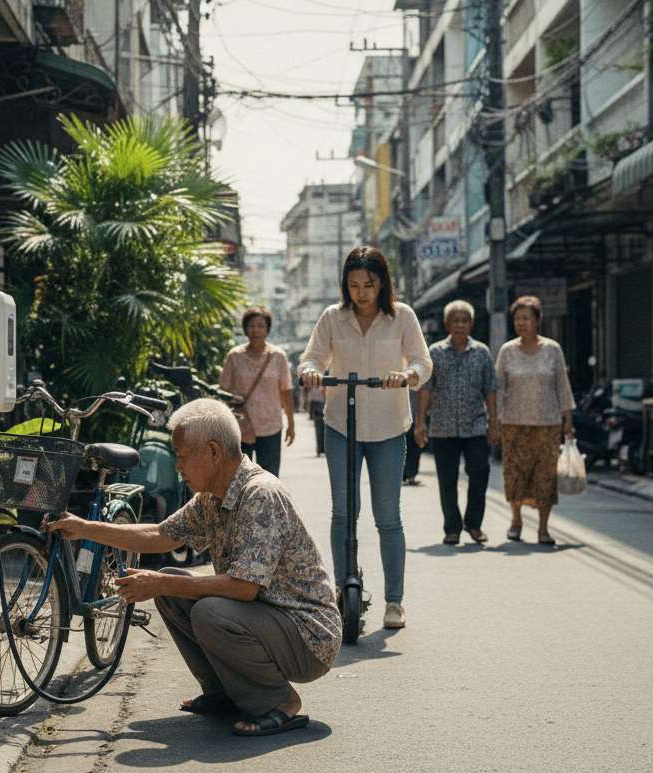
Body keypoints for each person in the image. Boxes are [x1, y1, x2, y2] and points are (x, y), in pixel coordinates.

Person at [44, 399, 341, 738]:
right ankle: (223, 693)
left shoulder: (259, 494)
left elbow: (244, 589)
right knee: (171, 585)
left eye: (182, 457)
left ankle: (280, 702)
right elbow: (160, 535)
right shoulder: (212, 496)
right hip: (265, 617)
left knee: (207, 610)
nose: (177, 467)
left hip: (307, 637)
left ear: (213, 452)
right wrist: (84, 528)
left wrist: (158, 583)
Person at [298, 246, 433, 630]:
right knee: (343, 513)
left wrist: (406, 376)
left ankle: (395, 601)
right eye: (354, 285)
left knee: (388, 517)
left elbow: (422, 362)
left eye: (369, 285)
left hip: (389, 426)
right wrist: (310, 371)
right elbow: (313, 357)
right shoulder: (332, 318)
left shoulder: (402, 316)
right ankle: (344, 589)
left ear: (382, 283)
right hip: (341, 424)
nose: (361, 293)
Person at [415, 300, 500, 544]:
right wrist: (421, 423)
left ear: (472, 324)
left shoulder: (482, 352)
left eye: (464, 321)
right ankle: (452, 528)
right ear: (446, 324)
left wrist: (494, 422)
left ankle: (473, 523)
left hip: (474, 425)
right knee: (447, 478)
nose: (460, 325)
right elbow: (426, 389)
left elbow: (490, 389)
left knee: (480, 472)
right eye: (455, 321)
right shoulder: (435, 352)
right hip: (443, 427)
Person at [495, 295, 576, 545]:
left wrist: (568, 421)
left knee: (544, 476)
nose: (521, 323)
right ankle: (516, 521)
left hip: (548, 424)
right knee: (515, 474)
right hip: (513, 424)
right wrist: (494, 422)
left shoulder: (553, 349)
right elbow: (498, 388)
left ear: (538, 320)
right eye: (517, 318)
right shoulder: (507, 351)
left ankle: (543, 528)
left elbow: (562, 386)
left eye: (526, 318)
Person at [219, 306, 295, 476]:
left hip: (270, 426)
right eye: (251, 326)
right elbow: (223, 391)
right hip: (239, 426)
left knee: (269, 478)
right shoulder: (234, 356)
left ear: (268, 329)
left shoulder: (278, 356)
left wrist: (291, 423)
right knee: (236, 478)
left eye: (261, 326)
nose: (256, 331)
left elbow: (286, 391)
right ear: (245, 329)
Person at [402, 389, 423, 485]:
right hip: (404, 418)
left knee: (414, 448)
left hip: (414, 418)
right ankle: (407, 475)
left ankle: (411, 475)